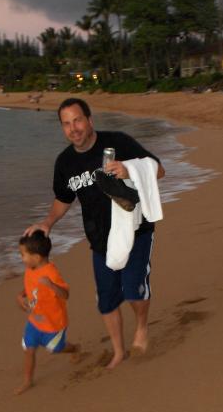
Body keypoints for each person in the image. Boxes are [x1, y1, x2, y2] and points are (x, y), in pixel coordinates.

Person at [24, 98, 165, 369]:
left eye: (77, 120)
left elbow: (158, 170)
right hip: (99, 239)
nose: (73, 128)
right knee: (106, 301)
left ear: (89, 120)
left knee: (134, 291)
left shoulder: (118, 142)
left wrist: (129, 169)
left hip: (136, 231)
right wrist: (48, 222)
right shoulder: (64, 162)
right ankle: (118, 351)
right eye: (66, 124)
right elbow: (63, 198)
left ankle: (141, 327)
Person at [15, 230, 79, 395]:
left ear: (36, 257)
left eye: (23, 254)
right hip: (34, 321)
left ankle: (74, 348)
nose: (21, 258)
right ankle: (27, 380)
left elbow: (65, 294)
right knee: (29, 349)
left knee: (56, 348)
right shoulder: (30, 269)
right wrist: (21, 295)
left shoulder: (51, 273)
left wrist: (51, 285)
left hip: (53, 323)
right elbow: (31, 286)